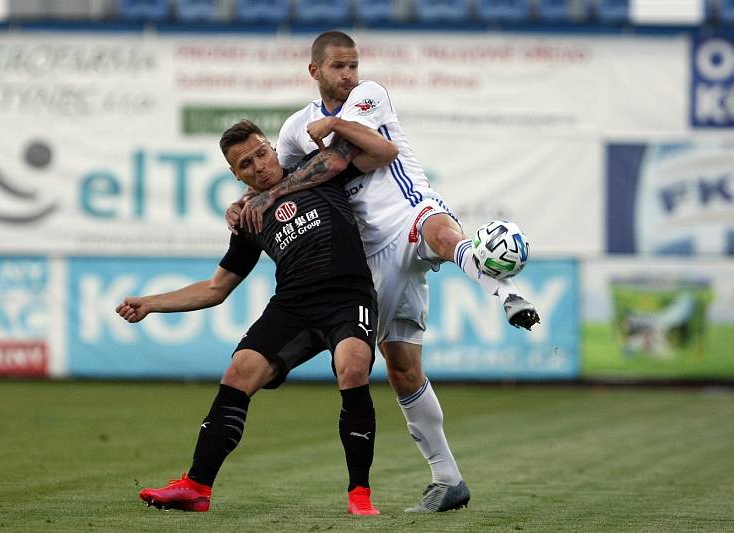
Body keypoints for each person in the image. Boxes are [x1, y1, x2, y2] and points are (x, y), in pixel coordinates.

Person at [228, 31, 540, 513]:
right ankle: (448, 479)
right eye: (338, 67)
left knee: (439, 230)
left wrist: (334, 123)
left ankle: (505, 292)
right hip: (367, 255)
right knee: (401, 369)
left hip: (409, 211)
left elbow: (354, 153)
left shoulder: (370, 95)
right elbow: (286, 178)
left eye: (353, 65)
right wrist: (249, 199)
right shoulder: (294, 129)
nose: (348, 74)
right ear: (316, 71)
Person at [116, 119, 398, 515]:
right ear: (234, 174)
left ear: (272, 149)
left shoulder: (316, 169)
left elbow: (386, 152)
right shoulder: (248, 219)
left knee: (352, 367)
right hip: (293, 305)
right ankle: (197, 487)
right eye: (245, 164)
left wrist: (335, 123)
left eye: (261, 154)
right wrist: (150, 303)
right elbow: (216, 288)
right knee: (238, 371)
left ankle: (359, 495)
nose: (258, 166)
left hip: (347, 297)